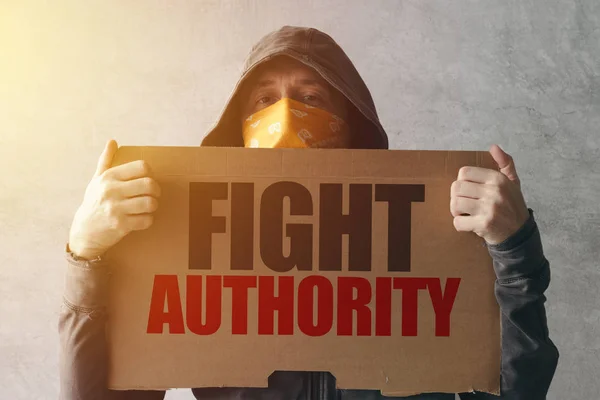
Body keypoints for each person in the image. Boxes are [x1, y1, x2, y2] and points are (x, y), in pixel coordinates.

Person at [60, 26, 559, 400]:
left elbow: (514, 391)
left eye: (310, 97)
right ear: (237, 130)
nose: (284, 116)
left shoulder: (434, 233)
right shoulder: (195, 250)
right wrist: (87, 257)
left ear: (351, 125)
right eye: (263, 99)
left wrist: (512, 247)